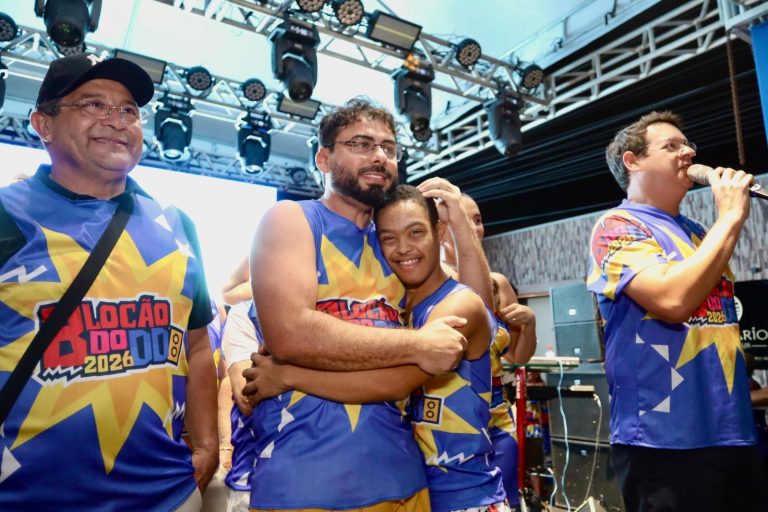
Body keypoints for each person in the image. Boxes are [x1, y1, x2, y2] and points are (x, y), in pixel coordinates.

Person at [243, 97, 491, 511]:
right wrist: (418, 345)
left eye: (388, 148)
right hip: (304, 482)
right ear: (323, 158)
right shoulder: (292, 219)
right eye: (361, 143)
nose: (379, 155)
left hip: (403, 481)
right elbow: (291, 334)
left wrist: (460, 226)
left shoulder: (393, 244)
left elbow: (471, 305)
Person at [0, 54, 218, 510]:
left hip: (167, 494)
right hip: (26, 497)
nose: (117, 121)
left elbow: (198, 345)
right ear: (44, 124)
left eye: (128, 110)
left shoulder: (177, 225)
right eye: (93, 104)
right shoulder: (6, 215)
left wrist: (206, 444)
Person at [587, 111, 768, 511]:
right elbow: (672, 301)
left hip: (732, 430)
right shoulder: (616, 225)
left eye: (688, 145)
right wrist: (731, 215)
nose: (688, 152)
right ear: (632, 161)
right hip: (664, 437)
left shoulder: (699, 232)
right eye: (671, 146)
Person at [443, 193, 537, 506]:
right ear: (440, 226)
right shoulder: (427, 282)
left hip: (497, 419)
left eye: (478, 220)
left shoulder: (498, 284)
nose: (474, 227)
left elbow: (517, 357)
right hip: (450, 422)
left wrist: (530, 323)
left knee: (505, 501)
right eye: (463, 218)